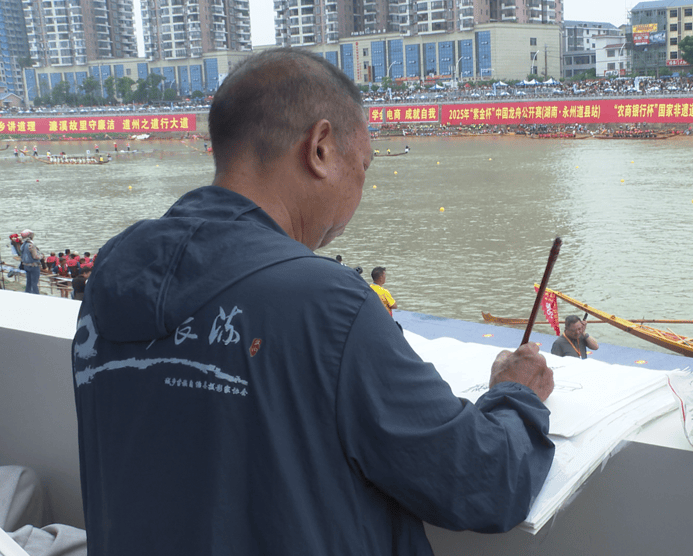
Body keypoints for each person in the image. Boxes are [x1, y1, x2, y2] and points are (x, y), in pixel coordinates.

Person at [71, 48, 556, 556]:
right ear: (320, 148)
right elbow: (485, 482)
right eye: (363, 165)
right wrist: (517, 397)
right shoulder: (329, 305)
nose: (362, 187)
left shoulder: (111, 270)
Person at [18, 230, 42, 294]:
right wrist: (42, 256)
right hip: (34, 266)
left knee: (28, 282)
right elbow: (35, 256)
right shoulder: (31, 245)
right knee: (34, 283)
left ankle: (27, 293)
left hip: (26, 265)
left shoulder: (23, 245)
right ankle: (36, 295)